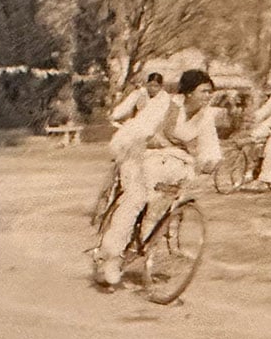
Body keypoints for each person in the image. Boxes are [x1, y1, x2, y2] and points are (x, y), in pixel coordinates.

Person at [93, 70, 221, 287]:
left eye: (210, 92)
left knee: (165, 204)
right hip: (140, 156)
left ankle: (146, 246)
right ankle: (111, 257)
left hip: (170, 164)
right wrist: (153, 141)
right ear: (188, 92)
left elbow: (210, 143)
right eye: (204, 91)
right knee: (136, 199)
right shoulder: (166, 105)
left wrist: (210, 160)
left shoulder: (205, 115)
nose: (208, 96)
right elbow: (139, 128)